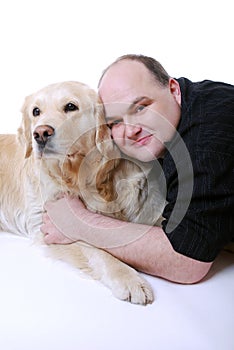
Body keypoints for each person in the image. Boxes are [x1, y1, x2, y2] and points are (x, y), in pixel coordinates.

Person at [41, 54, 234, 284]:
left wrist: (80, 223)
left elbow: (185, 260)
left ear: (173, 89)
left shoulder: (205, 143)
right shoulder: (193, 103)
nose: (131, 130)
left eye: (141, 107)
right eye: (116, 122)